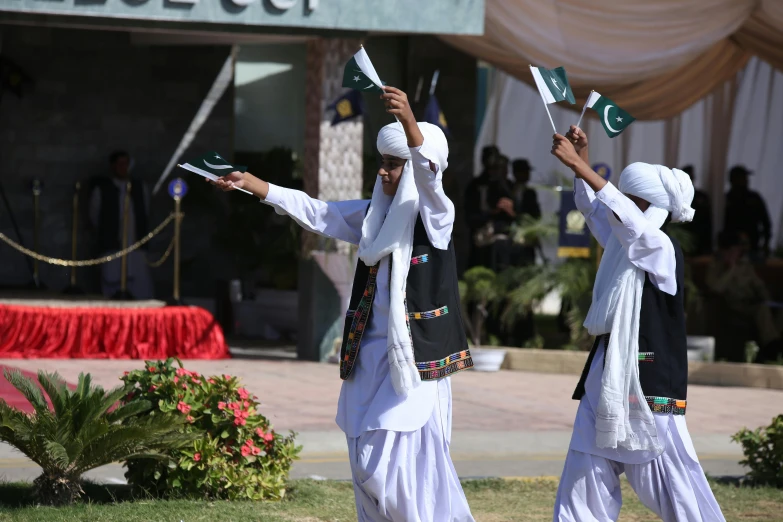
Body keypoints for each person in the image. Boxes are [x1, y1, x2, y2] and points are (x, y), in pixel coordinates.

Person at [211, 87, 475, 522]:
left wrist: (410, 121)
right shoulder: (374, 217)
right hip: (367, 361)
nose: (384, 172)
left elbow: (429, 174)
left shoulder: (436, 218)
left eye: (394, 165)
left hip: (410, 365)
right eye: (383, 163)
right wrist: (250, 184)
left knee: (384, 467)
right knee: (363, 463)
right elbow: (319, 213)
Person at [550, 126, 725, 522]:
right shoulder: (621, 242)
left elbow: (626, 220)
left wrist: (580, 164)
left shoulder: (659, 246)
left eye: (629, 199)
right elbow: (597, 210)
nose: (619, 207)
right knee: (583, 473)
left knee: (672, 480)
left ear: (644, 204)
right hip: (605, 376)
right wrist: (582, 162)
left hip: (646, 383)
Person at [706, 229, 781, 362]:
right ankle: (772, 347)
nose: (737, 253)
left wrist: (766, 297)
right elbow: (716, 288)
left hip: (751, 303)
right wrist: (731, 269)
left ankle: (775, 344)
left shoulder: (745, 266)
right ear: (725, 251)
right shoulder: (716, 266)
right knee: (762, 312)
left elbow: (758, 285)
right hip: (732, 306)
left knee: (776, 312)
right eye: (733, 251)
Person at [89, 150, 153, 300]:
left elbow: (145, 211)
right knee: (112, 278)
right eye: (120, 164)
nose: (123, 168)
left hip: (135, 242)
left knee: (140, 282)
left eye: (126, 164)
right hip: (112, 244)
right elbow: (95, 215)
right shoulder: (102, 189)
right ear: (113, 166)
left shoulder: (139, 187)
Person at [723, 165, 771, 261]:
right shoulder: (726, 199)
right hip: (730, 247)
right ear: (733, 180)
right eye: (742, 177)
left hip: (752, 245)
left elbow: (766, 222)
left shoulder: (754, 198)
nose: (746, 180)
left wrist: (766, 243)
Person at [680, 165, 712, 256]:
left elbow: (707, 222)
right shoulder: (677, 197)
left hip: (699, 239)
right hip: (683, 238)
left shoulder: (701, 197)